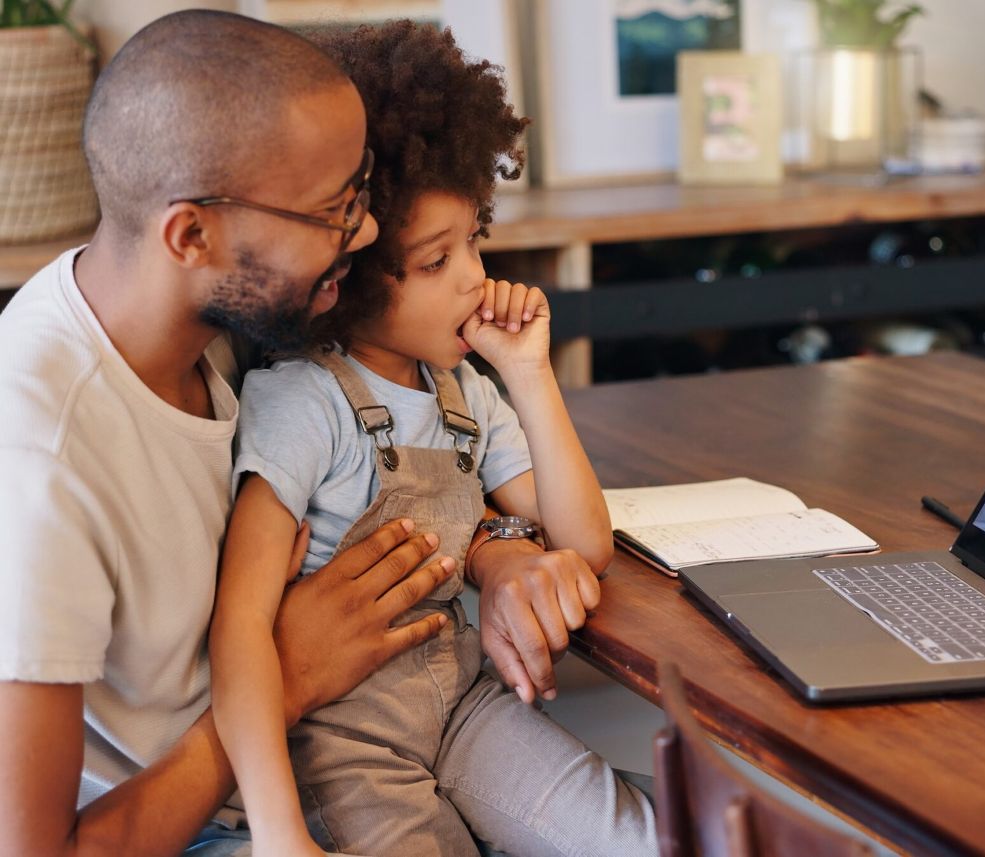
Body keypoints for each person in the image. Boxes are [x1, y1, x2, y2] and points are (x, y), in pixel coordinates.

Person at [0, 11, 601, 857]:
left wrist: (495, 547)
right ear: (191, 235)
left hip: (345, 747)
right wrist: (288, 676)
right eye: (334, 210)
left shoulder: (227, 313)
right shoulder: (41, 462)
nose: (362, 235)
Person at [209, 20, 655, 857]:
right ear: (349, 278)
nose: (476, 280)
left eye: (475, 242)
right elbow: (239, 627)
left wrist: (530, 373)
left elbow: (585, 541)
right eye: (436, 261)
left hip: (464, 710)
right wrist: (278, 831)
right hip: (346, 748)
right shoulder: (300, 402)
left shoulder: (466, 392)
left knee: (643, 836)